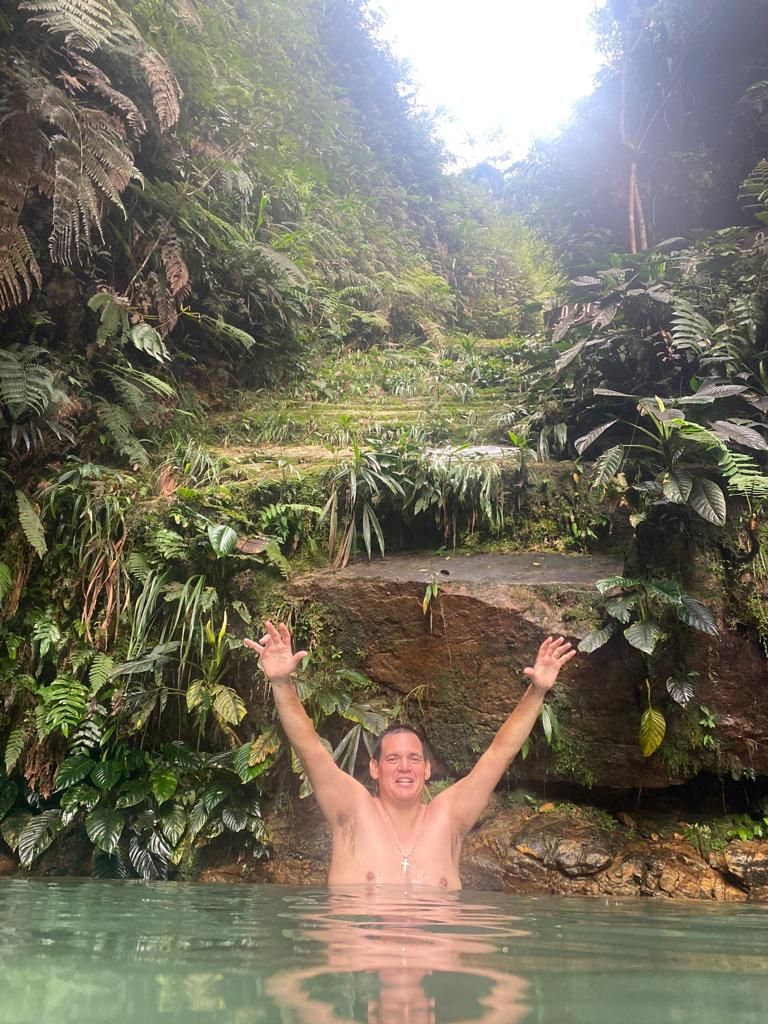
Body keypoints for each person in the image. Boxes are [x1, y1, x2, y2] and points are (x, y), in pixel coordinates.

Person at [244, 621, 575, 889]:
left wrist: (537, 691)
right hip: (361, 951)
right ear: (375, 768)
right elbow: (309, 747)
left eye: (414, 759)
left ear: (427, 769)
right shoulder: (353, 810)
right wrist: (281, 682)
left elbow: (499, 754)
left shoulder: (449, 817)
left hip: (437, 952)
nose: (405, 767)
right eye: (393, 759)